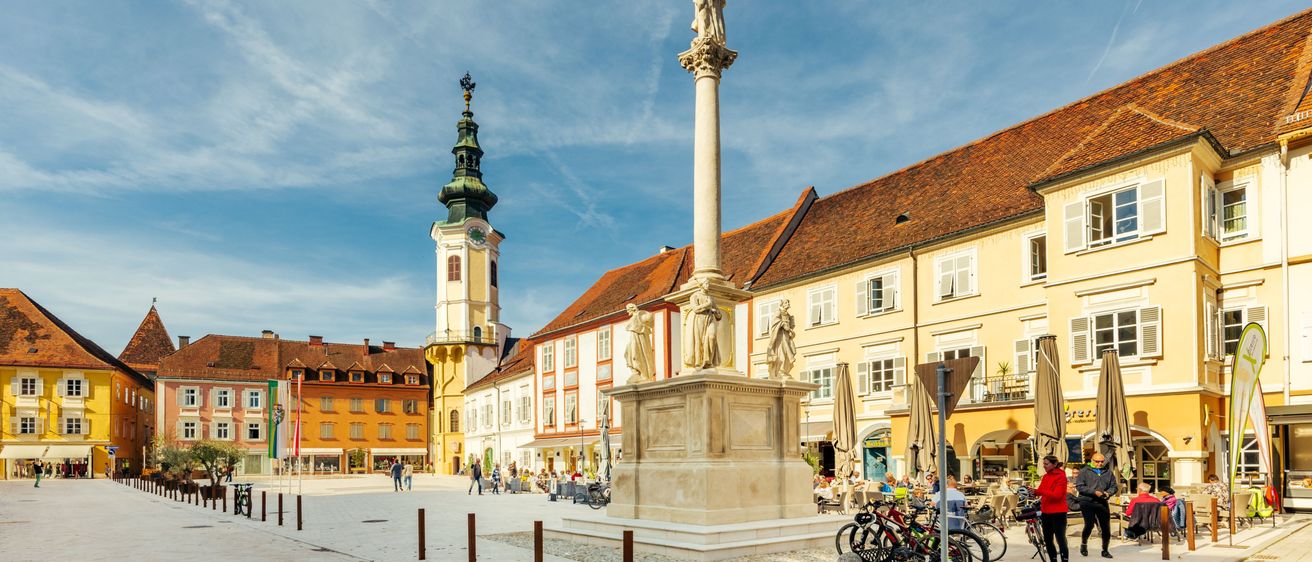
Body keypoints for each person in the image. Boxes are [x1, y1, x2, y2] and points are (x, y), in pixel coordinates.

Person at [1075, 453, 1117, 558]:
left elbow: (1114, 486)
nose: (1100, 463)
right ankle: (1084, 544)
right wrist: (1094, 492)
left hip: (1102, 501)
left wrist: (1108, 493)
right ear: (1092, 460)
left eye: (1102, 461)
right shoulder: (1084, 471)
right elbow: (1080, 487)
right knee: (1089, 525)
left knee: (1106, 527)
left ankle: (1105, 550)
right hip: (1087, 501)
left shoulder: (1108, 472)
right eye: (1097, 461)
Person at [1036, 454, 1070, 562]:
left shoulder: (1061, 476)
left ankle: (1064, 560)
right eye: (1043, 464)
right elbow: (1041, 490)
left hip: (1058, 512)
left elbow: (1057, 495)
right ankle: (1053, 560)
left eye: (1046, 464)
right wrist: (1034, 492)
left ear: (1054, 464)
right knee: (1048, 540)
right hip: (1046, 511)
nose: (1044, 466)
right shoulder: (1045, 477)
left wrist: (1040, 491)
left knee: (1060, 539)